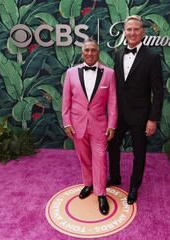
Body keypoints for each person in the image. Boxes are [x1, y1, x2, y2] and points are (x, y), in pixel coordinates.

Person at [108, 15, 164, 205]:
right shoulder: (117, 54)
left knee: (139, 153)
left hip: (141, 115)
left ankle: (134, 186)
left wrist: (153, 119)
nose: (132, 33)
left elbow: (158, 91)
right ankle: (115, 177)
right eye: (129, 29)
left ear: (143, 32)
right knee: (112, 146)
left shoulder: (152, 57)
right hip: (119, 114)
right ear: (125, 32)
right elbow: (116, 85)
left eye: (136, 29)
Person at [62, 39, 117, 215]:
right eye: (87, 50)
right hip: (77, 125)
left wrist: (112, 124)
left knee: (100, 158)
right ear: (82, 52)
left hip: (99, 125)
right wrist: (67, 123)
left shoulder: (109, 73)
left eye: (93, 50)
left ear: (98, 52)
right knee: (84, 158)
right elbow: (66, 101)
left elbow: (113, 102)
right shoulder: (71, 73)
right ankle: (88, 184)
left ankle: (101, 193)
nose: (90, 53)